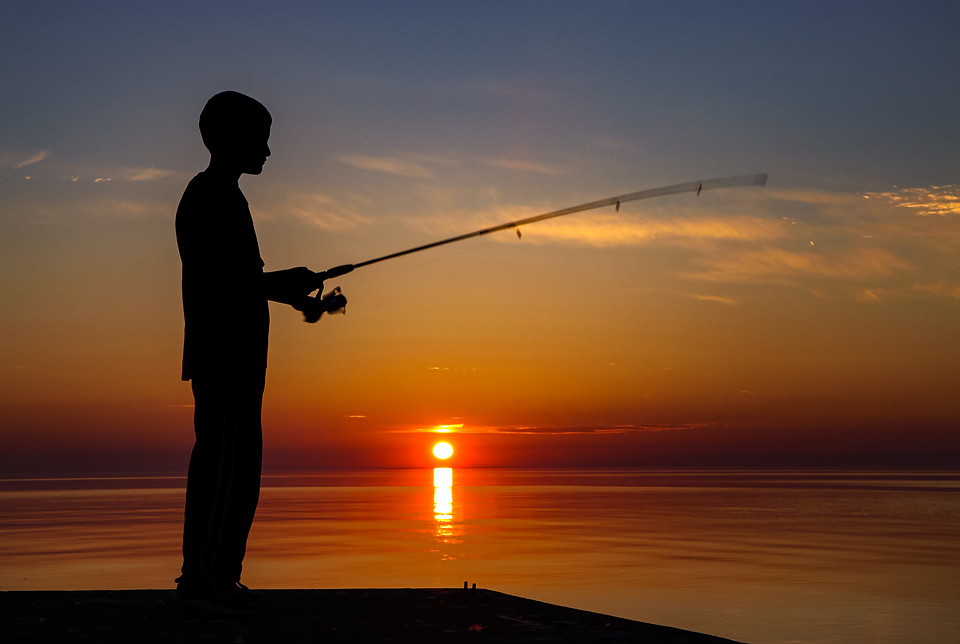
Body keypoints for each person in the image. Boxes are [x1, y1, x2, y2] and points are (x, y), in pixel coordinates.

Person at [174, 91, 320, 614]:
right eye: (260, 139)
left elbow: (243, 282)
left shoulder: (224, 196)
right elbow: (228, 282)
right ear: (232, 140)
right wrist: (284, 281)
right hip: (225, 355)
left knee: (237, 464)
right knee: (226, 465)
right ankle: (205, 577)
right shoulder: (211, 196)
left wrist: (289, 289)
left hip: (236, 356)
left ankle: (218, 574)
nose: (267, 151)